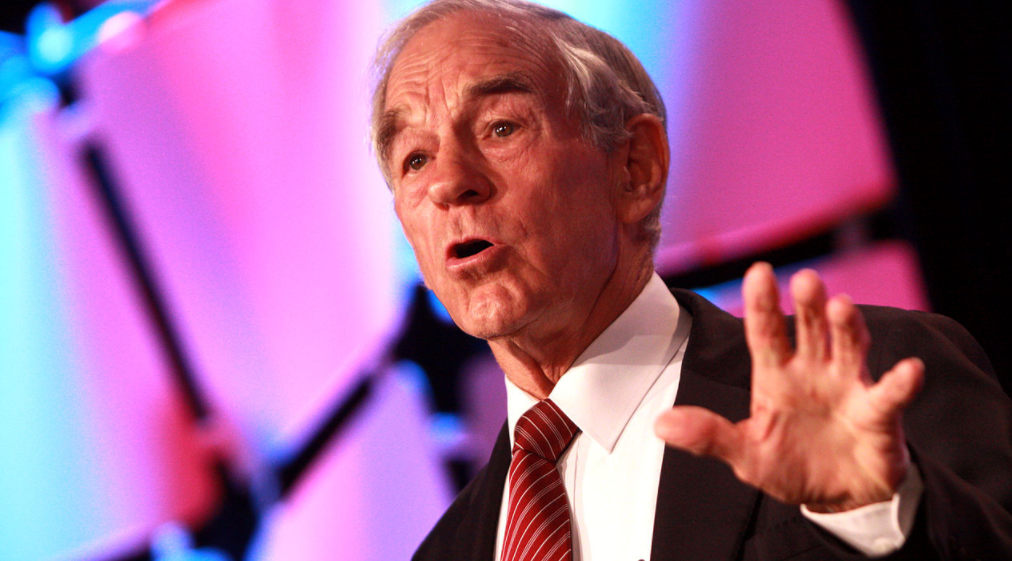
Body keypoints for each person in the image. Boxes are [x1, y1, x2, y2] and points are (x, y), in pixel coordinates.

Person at [368, 0, 1012, 559]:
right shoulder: (447, 550)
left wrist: (874, 515)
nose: (449, 183)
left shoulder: (876, 381)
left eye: (501, 127)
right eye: (415, 159)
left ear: (636, 168)